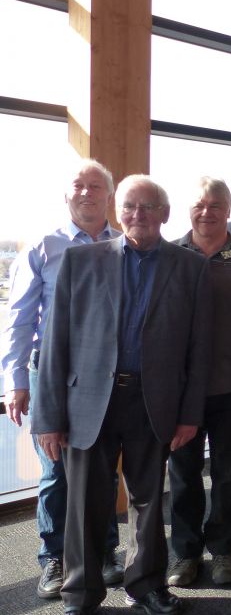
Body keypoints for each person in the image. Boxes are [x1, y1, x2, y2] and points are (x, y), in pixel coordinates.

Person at [32, 174, 212, 615]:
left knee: (150, 503)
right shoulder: (81, 261)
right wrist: (48, 417)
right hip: (88, 403)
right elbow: (56, 343)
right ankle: (81, 593)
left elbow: (199, 347)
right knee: (85, 504)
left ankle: (146, 586)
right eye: (130, 206)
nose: (138, 215)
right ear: (118, 210)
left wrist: (190, 414)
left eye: (149, 207)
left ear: (165, 215)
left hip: (154, 402)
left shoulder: (190, 267)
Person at [1, 160, 124, 599]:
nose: (87, 192)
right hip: (50, 372)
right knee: (55, 468)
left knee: (104, 467)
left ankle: (106, 549)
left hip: (104, 374)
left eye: (96, 186)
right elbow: (18, 320)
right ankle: (54, 557)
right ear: (66, 194)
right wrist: (16, 381)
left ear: (109, 196)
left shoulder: (124, 244)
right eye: (79, 185)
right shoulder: (44, 245)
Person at [167, 178, 231, 587]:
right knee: (184, 475)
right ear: (187, 209)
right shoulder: (169, 254)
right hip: (180, 391)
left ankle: (223, 551)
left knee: (227, 473)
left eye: (215, 205)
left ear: (230, 210)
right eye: (199, 205)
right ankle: (184, 555)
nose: (206, 211)